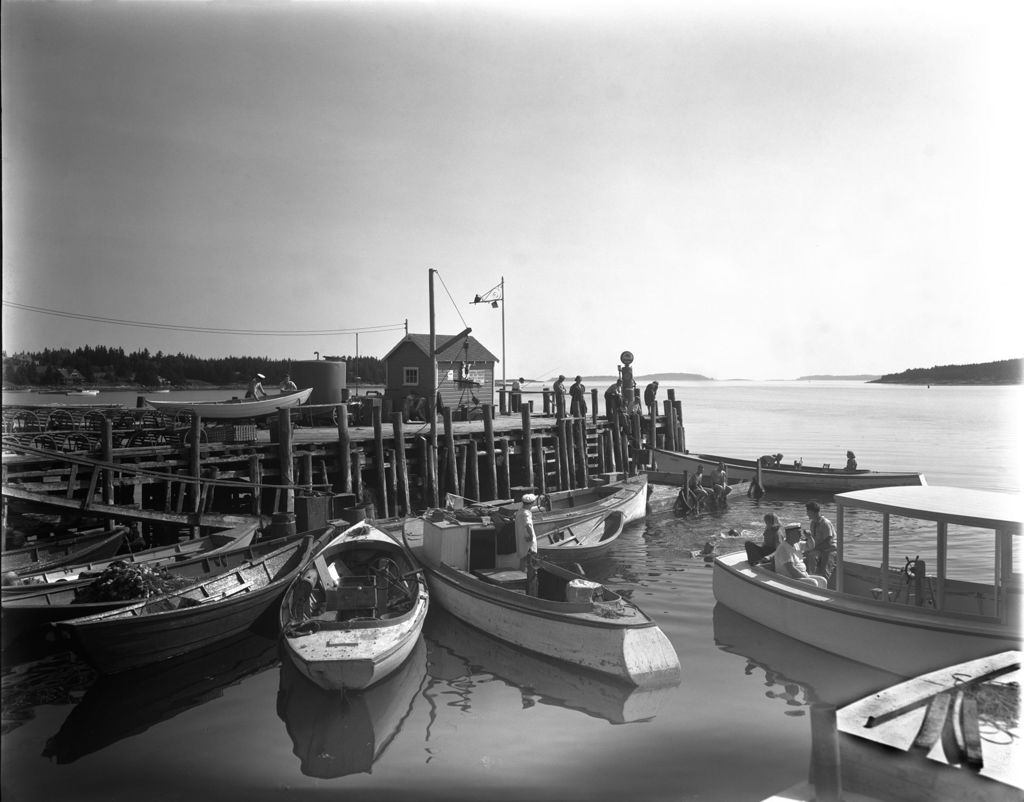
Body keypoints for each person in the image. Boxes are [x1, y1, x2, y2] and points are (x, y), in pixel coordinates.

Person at [773, 523, 827, 587]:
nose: (801, 535)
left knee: (822, 580)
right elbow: (791, 570)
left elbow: (811, 546)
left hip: (800, 576)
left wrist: (809, 536)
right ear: (790, 534)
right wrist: (806, 578)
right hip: (788, 579)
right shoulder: (783, 548)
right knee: (813, 583)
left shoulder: (796, 544)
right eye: (798, 533)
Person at [803, 501, 838, 584]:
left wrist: (813, 548)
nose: (807, 513)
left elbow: (828, 541)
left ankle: (825, 591)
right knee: (809, 555)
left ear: (812, 512)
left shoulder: (825, 523)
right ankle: (812, 579)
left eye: (808, 511)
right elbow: (814, 539)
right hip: (819, 549)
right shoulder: (813, 523)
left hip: (829, 549)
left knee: (824, 571)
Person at [515, 493, 540, 596]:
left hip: (521, 541)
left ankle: (522, 579)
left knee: (523, 559)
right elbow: (528, 525)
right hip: (528, 542)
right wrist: (531, 536)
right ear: (531, 503)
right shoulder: (526, 514)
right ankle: (529, 583)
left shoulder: (520, 512)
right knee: (530, 562)